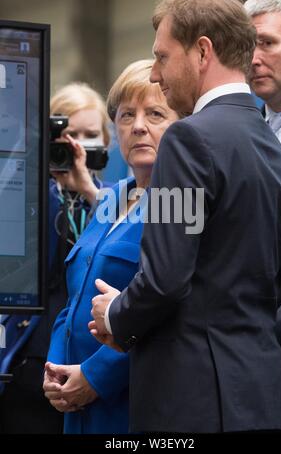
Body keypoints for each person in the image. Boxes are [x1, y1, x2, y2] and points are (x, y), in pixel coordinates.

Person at [89, 0, 281, 433]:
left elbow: (164, 279)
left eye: (162, 57)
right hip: (263, 396)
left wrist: (115, 314)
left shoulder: (187, 140)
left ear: (202, 51)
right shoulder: (270, 142)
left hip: (194, 401)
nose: (158, 75)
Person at [43, 60, 179, 434]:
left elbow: (169, 308)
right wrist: (54, 368)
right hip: (74, 399)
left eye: (155, 114)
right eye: (125, 115)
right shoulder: (112, 197)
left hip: (129, 403)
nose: (138, 126)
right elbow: (75, 296)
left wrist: (95, 376)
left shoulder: (179, 200)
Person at [0, 82, 110, 434]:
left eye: (90, 134)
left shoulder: (119, 197)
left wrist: (89, 193)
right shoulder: (27, 193)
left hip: (94, 360)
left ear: (106, 142)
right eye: (69, 134)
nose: (77, 145)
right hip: (31, 361)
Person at [244, 0, 281, 429]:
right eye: (246, 45)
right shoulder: (237, 133)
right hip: (235, 376)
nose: (253, 57)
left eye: (266, 43)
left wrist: (266, 338)